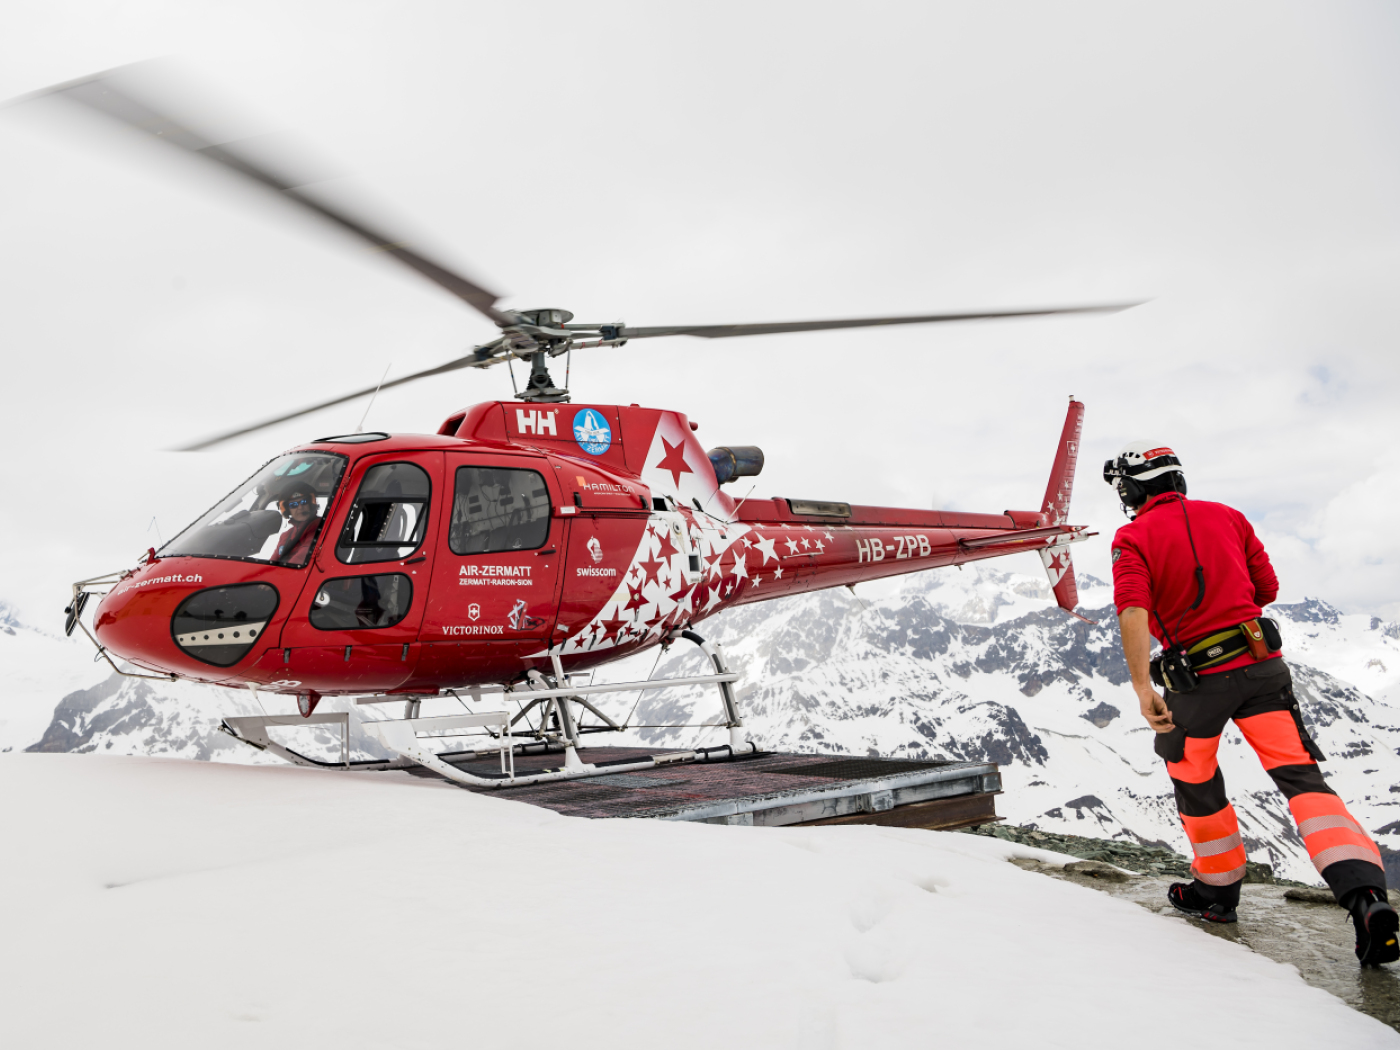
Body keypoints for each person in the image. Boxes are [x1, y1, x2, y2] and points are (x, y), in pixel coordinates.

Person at [1106, 441, 1396, 964]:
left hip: (1196, 683)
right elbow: (1266, 585)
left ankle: (1215, 896)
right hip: (1264, 668)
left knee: (1194, 778)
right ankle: (1367, 898)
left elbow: (1133, 611)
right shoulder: (1231, 517)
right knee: (1301, 778)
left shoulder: (1132, 537)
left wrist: (1143, 688)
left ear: (1132, 490)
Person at [271, 487, 322, 566]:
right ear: (287, 510)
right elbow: (272, 562)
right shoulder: (285, 536)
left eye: (304, 502)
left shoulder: (320, 527)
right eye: (293, 505)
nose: (300, 507)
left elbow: (301, 558)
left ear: (311, 504)